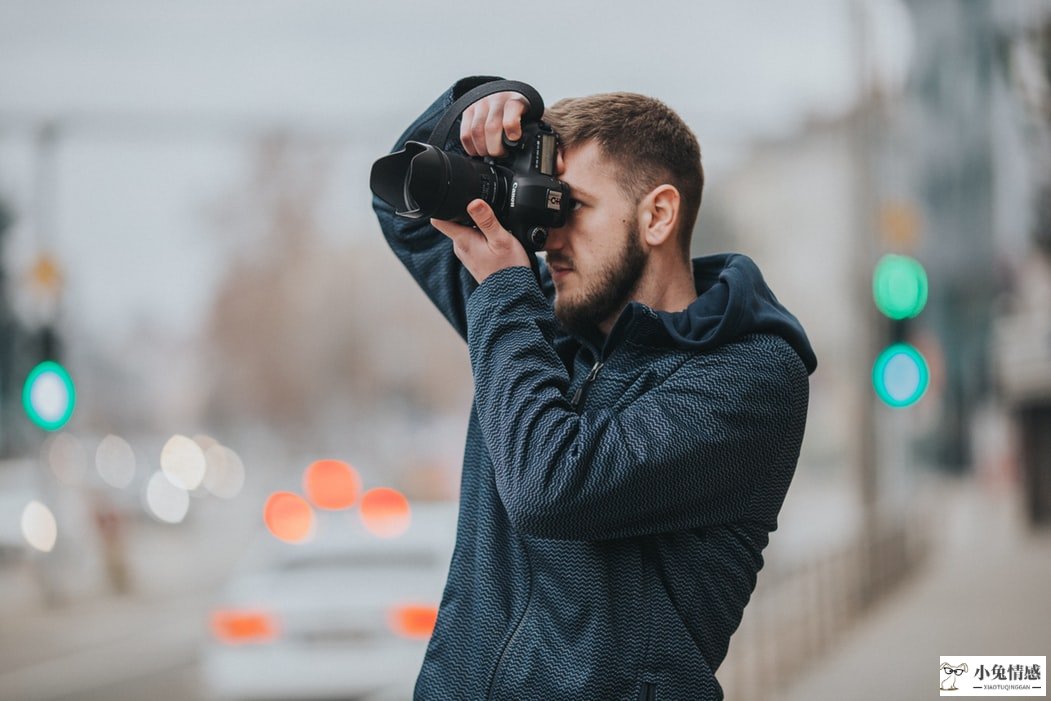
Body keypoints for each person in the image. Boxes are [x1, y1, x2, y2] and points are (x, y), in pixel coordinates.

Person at [372, 75, 817, 701]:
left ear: (658, 214)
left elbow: (549, 485)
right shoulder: (536, 329)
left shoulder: (750, 377)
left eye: (572, 206)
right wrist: (474, 106)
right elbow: (408, 215)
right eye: (543, 203)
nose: (548, 235)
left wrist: (503, 292)